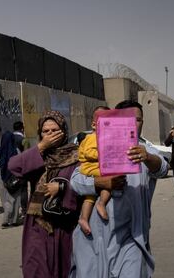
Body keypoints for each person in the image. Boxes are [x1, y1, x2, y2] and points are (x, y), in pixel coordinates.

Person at [69, 100, 168, 278]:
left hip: (132, 238)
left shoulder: (145, 151)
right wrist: (100, 183)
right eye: (129, 119)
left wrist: (147, 157)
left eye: (138, 120)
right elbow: (75, 181)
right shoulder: (97, 145)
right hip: (95, 237)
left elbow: (162, 168)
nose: (133, 124)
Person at [8, 110, 81, 277]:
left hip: (64, 224)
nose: (50, 135)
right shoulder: (38, 155)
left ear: (64, 130)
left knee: (63, 268)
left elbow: (85, 186)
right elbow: (14, 166)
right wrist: (41, 147)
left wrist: (62, 189)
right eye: (45, 131)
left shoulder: (77, 155)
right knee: (36, 268)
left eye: (55, 130)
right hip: (38, 223)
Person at [77, 106, 111, 236]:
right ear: (94, 125)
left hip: (90, 168)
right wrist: (104, 153)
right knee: (110, 180)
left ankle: (83, 219)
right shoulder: (92, 137)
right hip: (91, 167)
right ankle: (101, 203)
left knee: (89, 198)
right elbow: (89, 153)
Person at [0, 131, 22, 228]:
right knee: (15, 198)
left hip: (2, 178)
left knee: (5, 200)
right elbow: (21, 163)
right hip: (14, 177)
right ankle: (13, 220)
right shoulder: (16, 150)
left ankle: (7, 219)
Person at [13, 121, 30, 217]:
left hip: (10, 167)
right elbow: (26, 156)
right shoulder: (23, 140)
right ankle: (24, 210)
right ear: (22, 129)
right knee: (23, 189)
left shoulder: (8, 138)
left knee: (12, 190)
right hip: (21, 168)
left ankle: (12, 212)